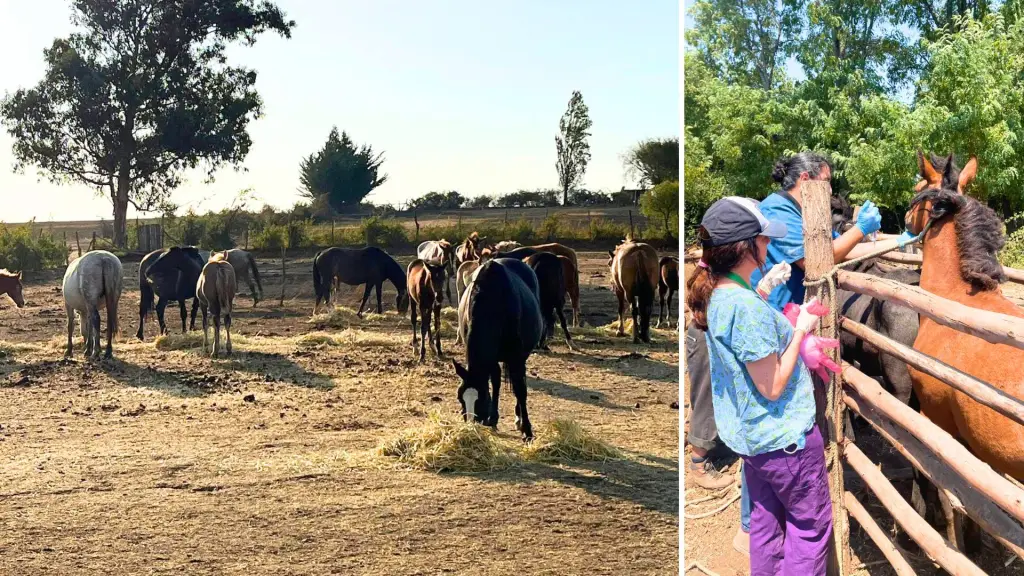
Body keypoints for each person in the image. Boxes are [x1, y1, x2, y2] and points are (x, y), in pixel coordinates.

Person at [686, 196, 833, 575]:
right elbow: (771, 385)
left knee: (766, 523)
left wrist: (762, 291)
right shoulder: (744, 307)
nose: (769, 245)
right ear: (744, 246)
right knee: (810, 528)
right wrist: (800, 331)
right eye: (763, 240)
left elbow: (743, 339)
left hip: (753, 441)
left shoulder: (720, 294)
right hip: (785, 441)